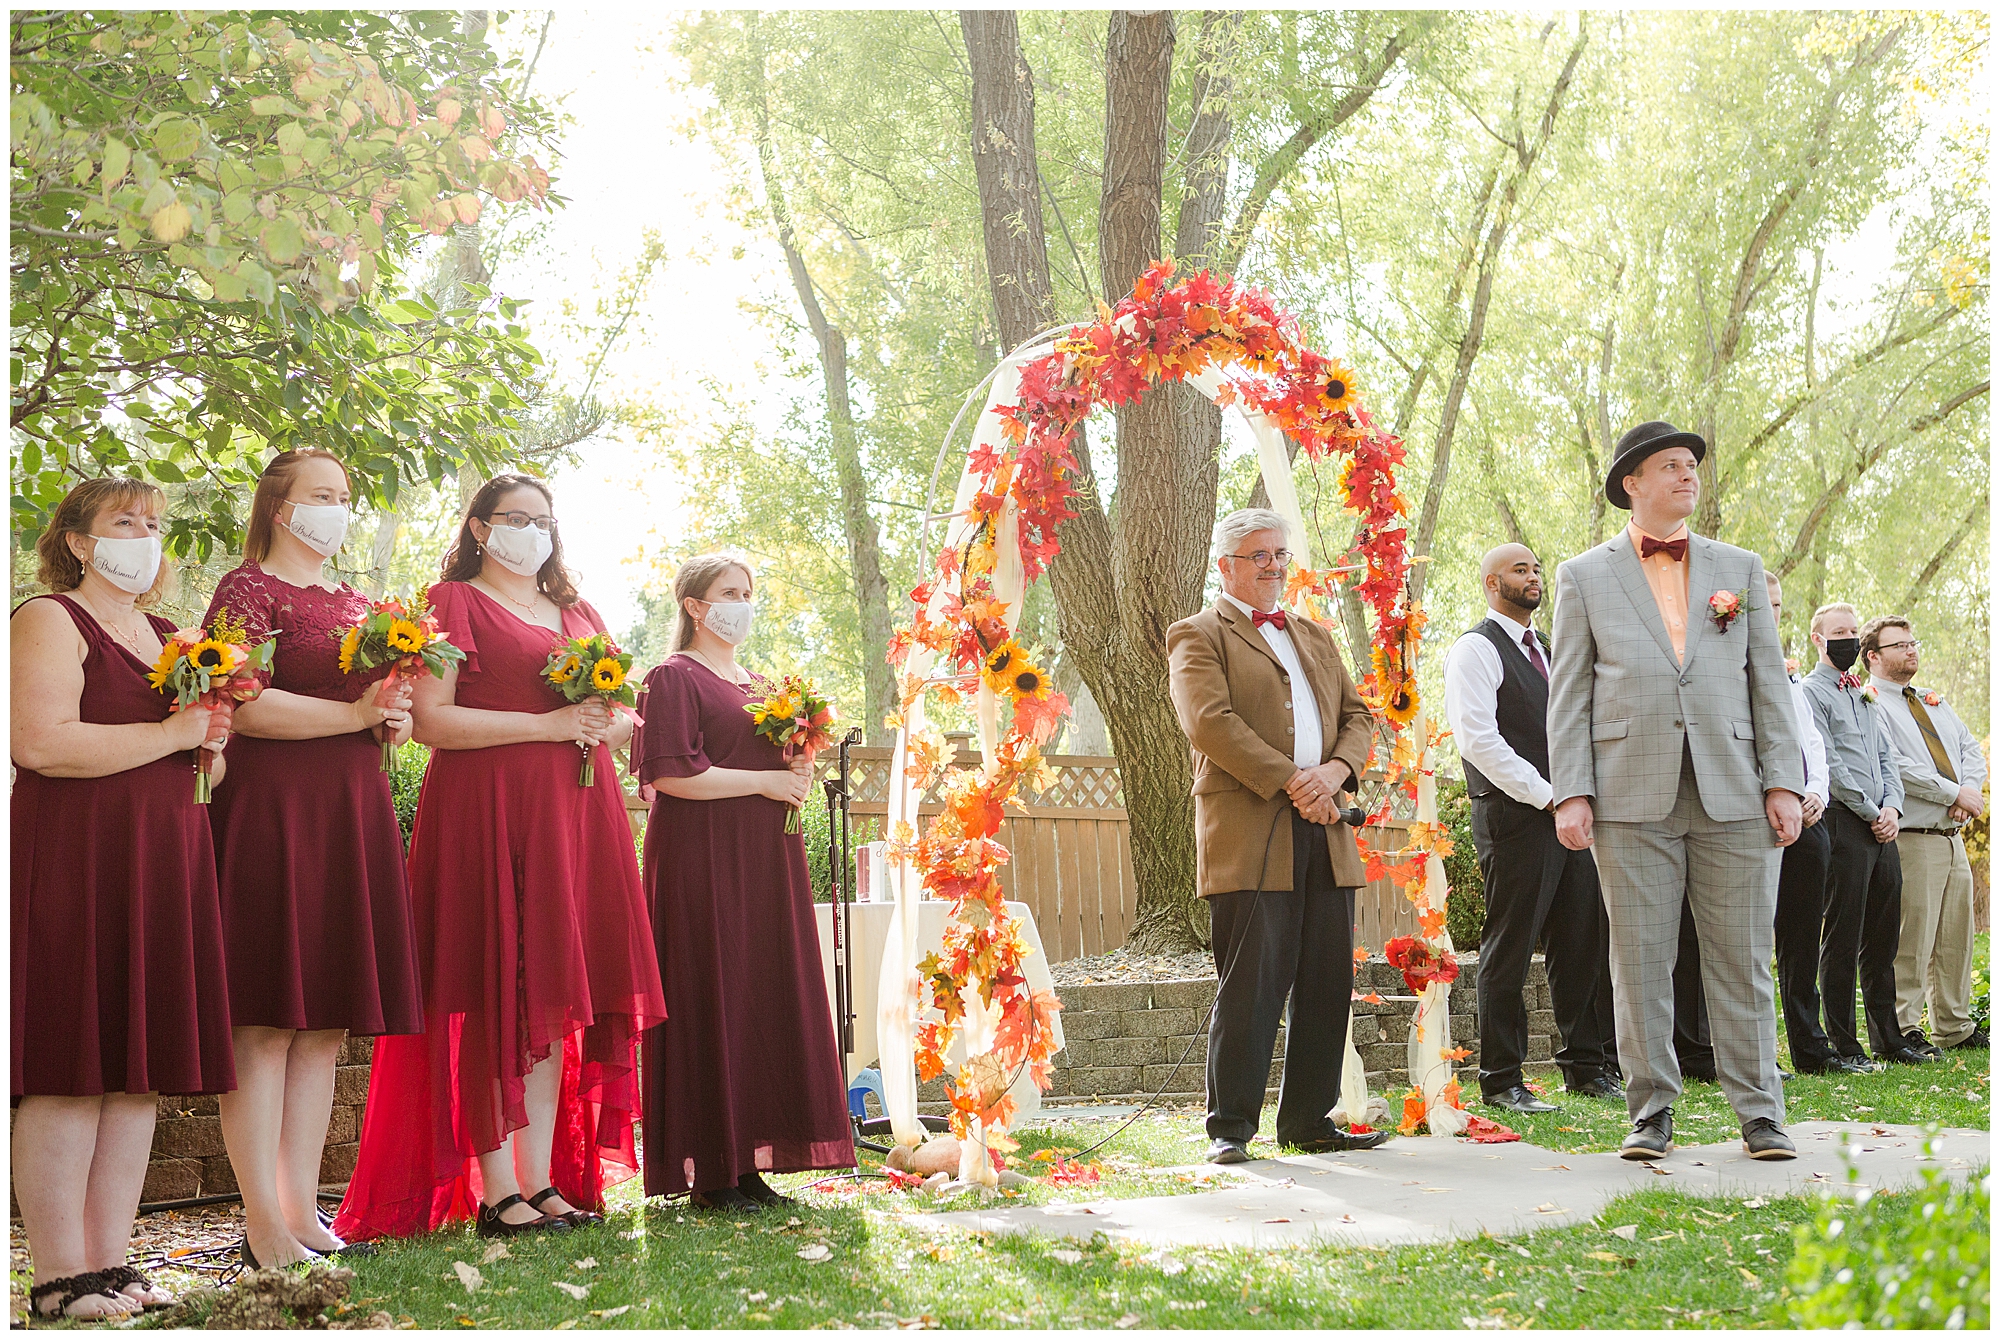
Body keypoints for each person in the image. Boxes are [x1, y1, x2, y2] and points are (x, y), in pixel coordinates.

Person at [333, 475, 667, 1241]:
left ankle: (543, 1179)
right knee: (495, 989)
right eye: (515, 519)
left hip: (578, 817)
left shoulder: (579, 612)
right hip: (488, 814)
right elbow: (432, 723)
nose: (531, 532)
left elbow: (623, 715)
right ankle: (496, 1189)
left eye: (543, 520)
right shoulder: (452, 604)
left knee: (553, 997)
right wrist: (550, 729)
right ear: (480, 529)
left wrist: (602, 726)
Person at [1548, 421, 1804, 1162]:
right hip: (1629, 798)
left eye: (1691, 464)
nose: (1687, 475)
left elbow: (1769, 687)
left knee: (1745, 959)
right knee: (1639, 960)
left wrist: (1784, 780)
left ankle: (1761, 1113)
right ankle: (1651, 1111)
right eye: (1670, 465)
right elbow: (1568, 694)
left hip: (1737, 793)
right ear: (1633, 482)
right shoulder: (1583, 575)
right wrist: (1573, 790)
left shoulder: (1740, 568)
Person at [11, 478, 233, 1319]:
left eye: (152, 523)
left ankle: (112, 1265)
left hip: (164, 857)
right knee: (72, 1069)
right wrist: (173, 735)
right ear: (76, 540)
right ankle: (59, 1277)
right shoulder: (46, 619)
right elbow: (38, 742)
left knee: (135, 1073)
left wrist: (210, 747)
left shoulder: (177, 637)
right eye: (123, 522)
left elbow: (205, 762)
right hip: (75, 858)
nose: (142, 535)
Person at [204, 449, 423, 1267]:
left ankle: (303, 1212)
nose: (336, 507)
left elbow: (373, 705)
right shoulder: (247, 590)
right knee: (264, 1024)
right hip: (271, 810)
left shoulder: (359, 602)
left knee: (324, 1024)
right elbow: (242, 702)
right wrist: (355, 714)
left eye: (344, 494)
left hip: (350, 809)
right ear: (279, 506)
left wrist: (389, 720)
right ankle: (261, 1217)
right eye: (320, 495)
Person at [1166, 508, 1388, 1164]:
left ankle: (1309, 1124)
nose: (1273, 565)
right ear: (1225, 566)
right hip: (1250, 831)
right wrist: (1296, 781)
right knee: (1253, 986)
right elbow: (1209, 723)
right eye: (1258, 554)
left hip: (1326, 833)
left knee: (1325, 984)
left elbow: (1358, 715)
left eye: (1279, 553)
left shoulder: (1315, 635)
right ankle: (1230, 1129)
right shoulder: (1197, 635)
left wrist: (1336, 773)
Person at [635, 554, 856, 1211]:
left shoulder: (760, 686)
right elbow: (671, 773)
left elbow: (771, 766)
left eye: (748, 593)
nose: (742, 603)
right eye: (729, 593)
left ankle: (748, 1162)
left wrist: (796, 774)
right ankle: (710, 1172)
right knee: (711, 994)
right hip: (701, 861)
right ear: (695, 606)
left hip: (765, 862)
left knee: (756, 996)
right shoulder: (672, 678)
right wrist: (763, 781)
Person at [1441, 543, 1620, 1113]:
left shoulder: (1549, 649)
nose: (1534, 577)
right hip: (1517, 817)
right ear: (1492, 583)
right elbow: (1479, 741)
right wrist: (1550, 798)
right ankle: (1500, 1078)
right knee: (1510, 947)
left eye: (1538, 569)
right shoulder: (1476, 649)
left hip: (1573, 816)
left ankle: (1586, 1067)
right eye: (1521, 570)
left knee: (1582, 943)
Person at [1801, 604, 1926, 1067]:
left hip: (1882, 828)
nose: (1849, 639)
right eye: (1839, 632)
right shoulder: (1811, 693)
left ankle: (1888, 1039)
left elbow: (1886, 757)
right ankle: (1844, 1043)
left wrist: (1892, 808)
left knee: (1882, 935)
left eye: (1854, 632)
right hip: (1844, 824)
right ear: (1818, 639)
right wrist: (1873, 811)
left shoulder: (1864, 693)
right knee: (1842, 933)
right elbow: (1828, 763)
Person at [1862, 615, 1988, 1053]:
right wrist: (1954, 791)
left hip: (1951, 837)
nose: (1911, 650)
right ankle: (1903, 1027)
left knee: (1956, 935)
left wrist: (1968, 792)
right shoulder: (1871, 702)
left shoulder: (1933, 702)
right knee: (1912, 936)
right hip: (1912, 835)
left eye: (1913, 642)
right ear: (1873, 656)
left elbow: (1970, 749)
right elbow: (1896, 766)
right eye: (1899, 645)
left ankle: (1954, 1026)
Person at [1767, 575, 1851, 1074]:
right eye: (1765, 603)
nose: (1774, 612)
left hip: (1809, 818)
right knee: (1751, 940)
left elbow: (1811, 743)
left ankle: (1811, 1048)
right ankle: (1743, 1051)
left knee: (1801, 938)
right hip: (1757, 821)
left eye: (1779, 605)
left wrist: (1815, 791)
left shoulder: (1787, 671)